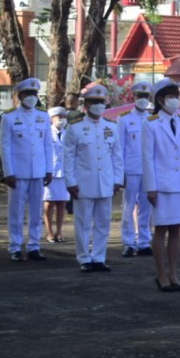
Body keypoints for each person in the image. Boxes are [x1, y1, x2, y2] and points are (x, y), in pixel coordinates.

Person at [142, 78, 180, 292]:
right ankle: (161, 274)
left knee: (177, 229)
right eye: (169, 97)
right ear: (159, 99)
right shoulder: (151, 123)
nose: (174, 101)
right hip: (162, 184)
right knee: (161, 229)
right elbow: (148, 157)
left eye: (176, 96)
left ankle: (174, 273)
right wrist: (151, 187)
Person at [64, 83, 124, 274]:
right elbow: (69, 158)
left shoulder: (112, 127)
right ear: (86, 105)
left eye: (101, 102)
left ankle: (99, 257)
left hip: (106, 182)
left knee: (103, 222)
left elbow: (117, 156)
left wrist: (117, 180)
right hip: (83, 183)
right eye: (94, 102)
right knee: (83, 222)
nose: (98, 105)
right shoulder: (75, 128)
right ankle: (84, 258)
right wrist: (70, 182)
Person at [0, 77, 54, 263]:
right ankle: (15, 246)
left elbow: (48, 145)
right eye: (28, 94)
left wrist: (49, 169)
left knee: (36, 212)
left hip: (38, 172)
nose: (32, 97)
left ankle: (34, 246)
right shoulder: (9, 117)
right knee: (16, 211)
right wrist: (8, 172)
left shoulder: (43, 116)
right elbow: (5, 147)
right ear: (20, 95)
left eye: (34, 94)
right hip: (18, 172)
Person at [118, 81, 154, 257]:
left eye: (146, 96)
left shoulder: (153, 119)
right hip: (131, 169)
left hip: (148, 170)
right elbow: (120, 148)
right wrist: (121, 173)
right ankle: (129, 242)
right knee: (128, 207)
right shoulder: (125, 119)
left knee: (146, 208)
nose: (143, 100)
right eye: (140, 96)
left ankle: (144, 241)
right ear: (134, 97)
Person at [44, 106, 70, 244]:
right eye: (58, 117)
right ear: (51, 118)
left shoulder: (69, 133)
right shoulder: (47, 132)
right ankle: (49, 232)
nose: (61, 119)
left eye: (64, 117)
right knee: (49, 203)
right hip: (51, 172)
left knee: (62, 203)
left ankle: (59, 232)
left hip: (64, 172)